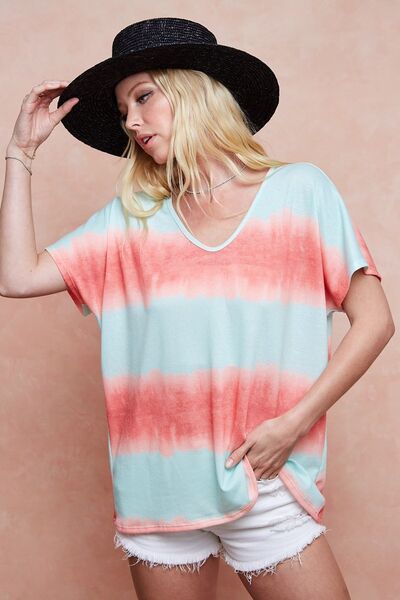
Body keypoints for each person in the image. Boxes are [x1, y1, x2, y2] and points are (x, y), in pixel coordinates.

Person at [1, 17, 394, 600]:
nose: (131, 122)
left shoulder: (300, 192)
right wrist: (20, 153)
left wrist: (292, 425)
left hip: (265, 480)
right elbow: (15, 276)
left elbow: (377, 320)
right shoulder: (131, 221)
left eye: (143, 97)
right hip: (158, 494)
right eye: (123, 110)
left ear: (194, 91)